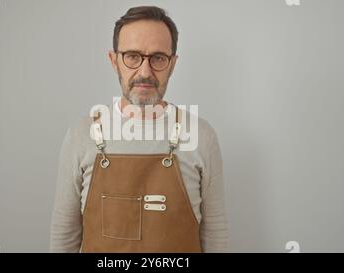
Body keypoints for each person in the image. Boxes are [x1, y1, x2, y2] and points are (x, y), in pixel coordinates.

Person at [50, 6, 228, 252]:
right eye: (132, 56)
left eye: (158, 58)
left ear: (172, 64)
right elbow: (64, 236)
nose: (145, 72)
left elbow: (216, 236)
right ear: (114, 61)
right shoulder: (82, 135)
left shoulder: (201, 135)